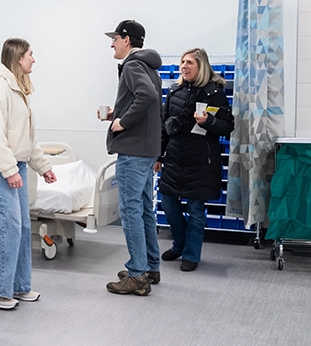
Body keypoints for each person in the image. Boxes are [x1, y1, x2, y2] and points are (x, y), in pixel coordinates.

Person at [0, 38, 56, 310]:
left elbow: (27, 139)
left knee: (21, 227)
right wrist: (9, 170)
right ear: (18, 57)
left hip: (15, 164)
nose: (34, 59)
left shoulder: (19, 88)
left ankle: (18, 286)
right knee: (7, 226)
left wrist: (42, 166)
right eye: (31, 54)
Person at [156, 48, 235, 272]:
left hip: (201, 160)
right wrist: (158, 155)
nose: (184, 66)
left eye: (189, 62)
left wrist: (208, 122)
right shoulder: (174, 91)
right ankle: (179, 245)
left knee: (196, 210)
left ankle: (191, 254)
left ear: (201, 66)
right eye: (182, 62)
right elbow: (163, 126)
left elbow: (228, 127)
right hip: (174, 157)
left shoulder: (214, 93)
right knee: (169, 205)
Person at [100, 20, 162, 296]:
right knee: (145, 208)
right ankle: (150, 266)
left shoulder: (133, 65)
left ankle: (137, 274)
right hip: (148, 149)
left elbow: (147, 96)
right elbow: (149, 101)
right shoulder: (149, 66)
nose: (111, 43)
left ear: (126, 39)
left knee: (130, 210)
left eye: (114, 38)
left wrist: (123, 122)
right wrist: (119, 112)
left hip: (134, 150)